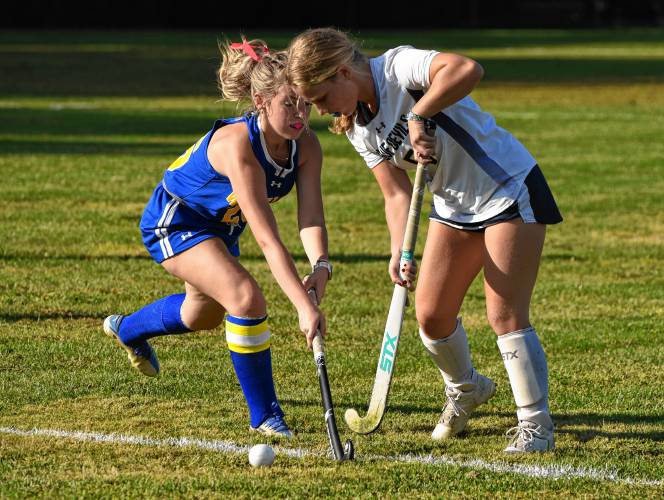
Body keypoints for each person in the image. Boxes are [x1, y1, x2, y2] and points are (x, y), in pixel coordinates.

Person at [287, 28, 562, 453]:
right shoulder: (359, 128)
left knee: (504, 314)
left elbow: (468, 69)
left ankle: (535, 425)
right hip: (453, 209)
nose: (321, 110)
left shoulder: (398, 68)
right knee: (432, 316)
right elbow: (395, 193)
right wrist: (402, 249)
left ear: (342, 72)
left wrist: (421, 114)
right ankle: (466, 388)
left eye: (321, 98)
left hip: (506, 187)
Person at [103, 38, 332, 439]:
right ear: (260, 101)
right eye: (288, 104)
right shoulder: (238, 146)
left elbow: (310, 215)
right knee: (245, 297)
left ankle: (129, 329)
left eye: (305, 104)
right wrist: (302, 306)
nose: (300, 115)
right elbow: (267, 238)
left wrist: (321, 266)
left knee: (201, 315)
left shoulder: (306, 145)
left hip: (220, 228)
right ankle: (265, 415)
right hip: (175, 220)